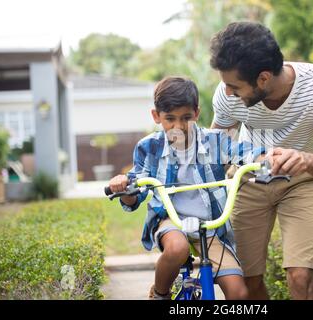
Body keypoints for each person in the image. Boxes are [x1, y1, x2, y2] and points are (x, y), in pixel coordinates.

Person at [209, 21, 313, 300]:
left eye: (234, 86)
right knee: (246, 281)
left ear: (263, 79)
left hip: (300, 182)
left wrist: (306, 160)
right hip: (248, 180)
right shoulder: (227, 95)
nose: (227, 92)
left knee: (300, 277)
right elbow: (215, 149)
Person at [108, 76, 266, 300]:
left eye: (186, 118)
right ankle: (160, 293)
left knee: (239, 293)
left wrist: (264, 159)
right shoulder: (149, 147)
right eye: (170, 118)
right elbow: (136, 191)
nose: (179, 126)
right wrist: (123, 187)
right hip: (171, 220)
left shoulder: (216, 140)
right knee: (177, 248)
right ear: (156, 116)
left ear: (197, 113)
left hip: (210, 225)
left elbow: (243, 150)